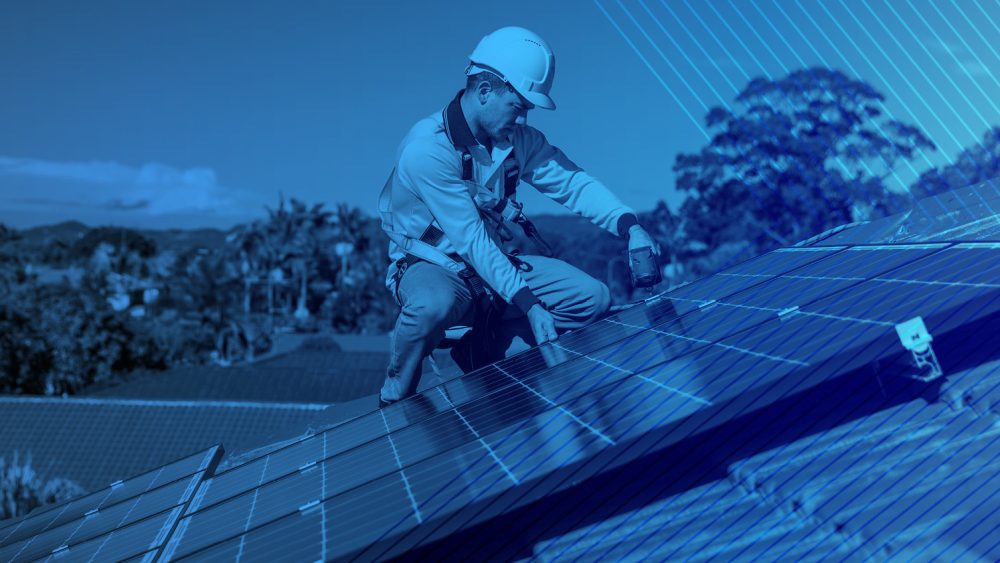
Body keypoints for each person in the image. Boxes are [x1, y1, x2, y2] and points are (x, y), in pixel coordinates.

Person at [377, 26, 657, 407]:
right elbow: (470, 238)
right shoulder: (427, 150)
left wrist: (631, 226)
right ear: (486, 91)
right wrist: (529, 303)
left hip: (496, 267)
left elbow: (573, 185)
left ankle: (486, 355)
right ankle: (396, 396)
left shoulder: (517, 142)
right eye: (519, 105)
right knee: (432, 306)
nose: (523, 119)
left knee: (593, 299)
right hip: (434, 266)